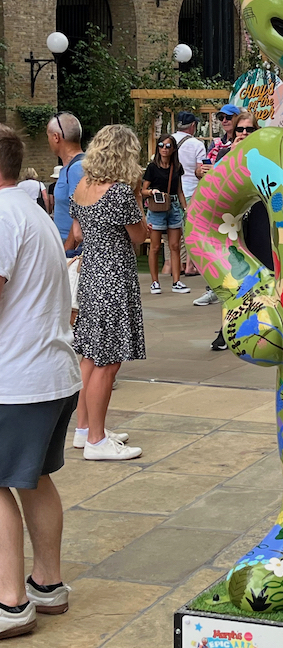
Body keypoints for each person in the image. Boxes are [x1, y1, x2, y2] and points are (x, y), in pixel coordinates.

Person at [0, 124, 81, 638]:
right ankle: (46, 585)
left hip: (16, 379)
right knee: (34, 481)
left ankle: (10, 603)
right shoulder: (30, 210)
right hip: (50, 373)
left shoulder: (3, 213)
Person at [68, 124, 148, 461]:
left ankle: (84, 429)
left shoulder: (83, 186)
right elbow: (140, 237)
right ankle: (97, 441)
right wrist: (139, 199)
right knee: (107, 362)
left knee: (90, 356)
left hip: (91, 276)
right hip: (113, 279)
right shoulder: (118, 193)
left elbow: (77, 231)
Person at [206, 111, 273, 352]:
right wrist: (232, 154)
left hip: (258, 216)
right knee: (231, 273)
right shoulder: (225, 154)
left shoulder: (263, 156)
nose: (244, 133)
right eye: (239, 130)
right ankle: (227, 329)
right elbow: (214, 185)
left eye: (249, 130)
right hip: (230, 222)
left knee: (263, 268)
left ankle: (264, 323)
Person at [192, 104, 241, 308]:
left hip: (237, 202)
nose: (224, 121)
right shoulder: (216, 144)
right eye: (221, 117)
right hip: (217, 202)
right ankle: (214, 288)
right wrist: (202, 171)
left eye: (228, 117)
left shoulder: (244, 141)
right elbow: (198, 171)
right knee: (216, 246)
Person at [142, 135, 190, 294]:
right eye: (161, 145)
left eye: (168, 146)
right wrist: (151, 191)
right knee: (155, 247)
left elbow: (180, 190)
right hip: (157, 207)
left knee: (175, 246)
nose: (164, 148)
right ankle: (154, 282)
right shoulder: (152, 167)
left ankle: (176, 281)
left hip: (174, 206)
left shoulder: (176, 167)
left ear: (174, 149)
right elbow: (142, 190)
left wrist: (186, 209)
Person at [170, 111, 206, 277]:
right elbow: (200, 171)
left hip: (170, 191)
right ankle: (191, 265)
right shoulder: (197, 144)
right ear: (193, 126)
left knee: (172, 230)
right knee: (191, 230)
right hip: (190, 190)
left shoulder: (167, 141)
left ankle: (173, 265)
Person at [46, 112, 84, 251]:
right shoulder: (72, 167)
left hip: (73, 250)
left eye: (48, 136)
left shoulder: (77, 169)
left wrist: (66, 250)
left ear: (56, 137)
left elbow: (81, 214)